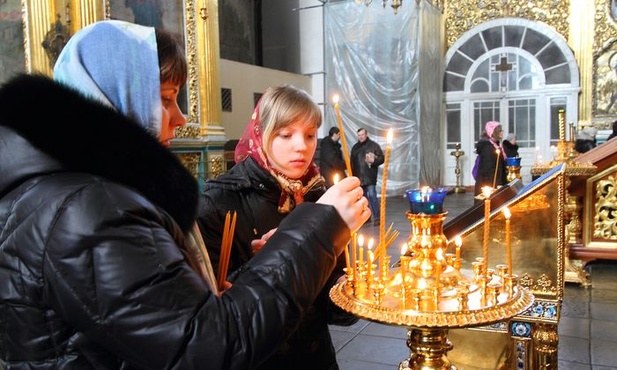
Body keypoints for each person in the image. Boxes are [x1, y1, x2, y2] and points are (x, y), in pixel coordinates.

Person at [0, 20, 370, 370]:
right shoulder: (89, 209)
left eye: (309, 135)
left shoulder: (81, 194)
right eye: (165, 98)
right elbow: (204, 344)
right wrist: (314, 232)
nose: (180, 116)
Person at [197, 85, 363, 370]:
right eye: (286, 134)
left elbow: (331, 312)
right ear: (261, 134)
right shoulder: (218, 202)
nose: (302, 146)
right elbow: (206, 318)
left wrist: (350, 288)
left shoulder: (317, 195)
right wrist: (264, 263)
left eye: (310, 135)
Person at [351, 127, 384, 226]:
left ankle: (377, 217)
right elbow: (352, 162)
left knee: (372, 196)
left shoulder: (374, 146)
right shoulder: (355, 147)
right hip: (359, 177)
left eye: (362, 135)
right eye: (359, 135)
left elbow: (382, 158)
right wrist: (352, 176)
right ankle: (366, 217)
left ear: (366, 134)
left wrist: (374, 162)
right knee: (363, 199)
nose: (360, 137)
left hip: (370, 176)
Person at [474, 121, 508, 196]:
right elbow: (488, 168)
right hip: (489, 183)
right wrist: (495, 185)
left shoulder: (495, 144)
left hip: (495, 180)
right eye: (500, 131)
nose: (502, 133)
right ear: (494, 133)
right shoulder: (487, 147)